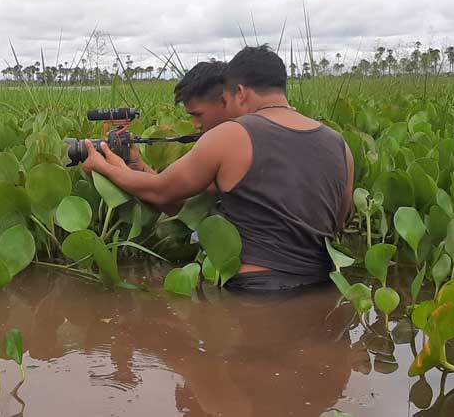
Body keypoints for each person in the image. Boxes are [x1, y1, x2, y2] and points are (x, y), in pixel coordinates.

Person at [82, 45, 354, 291]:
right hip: (322, 285)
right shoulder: (339, 144)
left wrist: (103, 165)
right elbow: (339, 220)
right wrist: (137, 166)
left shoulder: (231, 135)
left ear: (240, 92)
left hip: (255, 288)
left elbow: (162, 191)